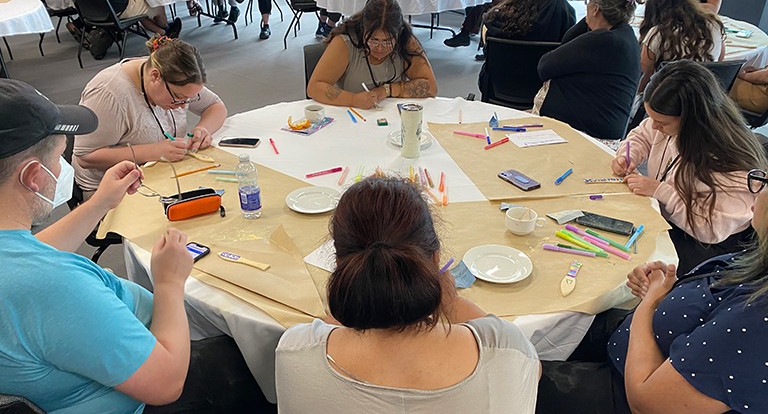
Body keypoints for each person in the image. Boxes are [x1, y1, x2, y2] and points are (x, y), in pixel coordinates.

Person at [0, 79, 270, 413]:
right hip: (146, 387)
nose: (63, 169)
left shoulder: (17, 262)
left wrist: (101, 202)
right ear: (33, 177)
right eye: (58, 159)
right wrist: (169, 282)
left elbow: (32, 252)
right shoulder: (51, 286)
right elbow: (167, 383)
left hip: (89, 362)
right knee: (263, 364)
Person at [275, 177, 541, 413]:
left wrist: (355, 298)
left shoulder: (296, 352)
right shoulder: (506, 349)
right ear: (435, 259)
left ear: (339, 263)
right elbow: (533, 371)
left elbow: (327, 331)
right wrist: (452, 302)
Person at [538, 164, 768, 413]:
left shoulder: (757, 318)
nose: (757, 190)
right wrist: (670, 293)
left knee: (507, 371)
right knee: (552, 322)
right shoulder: (758, 260)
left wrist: (649, 304)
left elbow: (646, 403)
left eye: (766, 183)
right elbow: (716, 309)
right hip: (628, 345)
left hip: (622, 392)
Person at [612, 60, 766, 275]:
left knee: (624, 262)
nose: (655, 126)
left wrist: (660, 191)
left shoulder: (729, 160)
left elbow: (711, 230)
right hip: (672, 220)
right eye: (652, 117)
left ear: (692, 120)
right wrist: (629, 155)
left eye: (662, 123)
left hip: (705, 246)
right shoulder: (669, 126)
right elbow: (643, 134)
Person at [73, 36, 227, 198]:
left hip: (160, 172)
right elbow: (86, 156)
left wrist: (203, 129)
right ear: (155, 77)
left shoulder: (178, 77)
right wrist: (154, 151)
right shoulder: (108, 94)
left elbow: (216, 107)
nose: (183, 106)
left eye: (188, 100)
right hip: (112, 187)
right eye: (178, 98)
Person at [538, 0, 644, 140]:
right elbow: (566, 44)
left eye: (588, 0)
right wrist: (590, 21)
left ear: (596, 8)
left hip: (590, 136)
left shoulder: (604, 41)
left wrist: (589, 20)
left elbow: (544, 66)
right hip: (597, 127)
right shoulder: (624, 34)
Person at [307, 0, 438, 109]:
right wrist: (353, 99)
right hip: (351, 116)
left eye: (388, 41)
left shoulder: (407, 42)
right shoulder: (344, 43)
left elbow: (431, 87)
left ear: (399, 34)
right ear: (363, 30)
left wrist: (388, 90)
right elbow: (314, 87)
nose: (380, 48)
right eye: (373, 40)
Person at [478, 0, 575, 99]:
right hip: (541, 87)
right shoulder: (561, 8)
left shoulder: (502, 10)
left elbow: (487, 49)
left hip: (499, 85)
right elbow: (566, 48)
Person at [637, 0, 725, 93]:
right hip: (706, 93)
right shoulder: (714, 25)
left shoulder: (659, 33)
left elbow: (644, 75)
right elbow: (720, 61)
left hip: (667, 97)